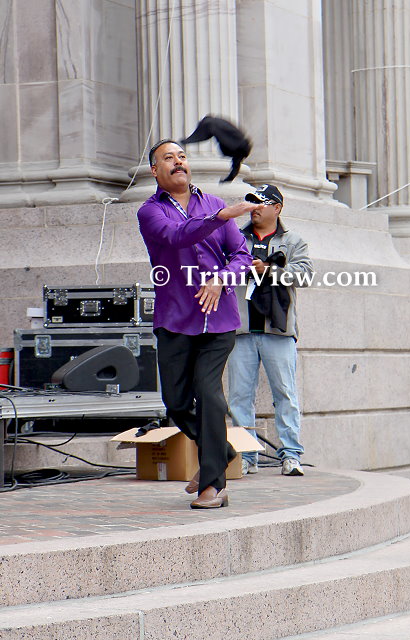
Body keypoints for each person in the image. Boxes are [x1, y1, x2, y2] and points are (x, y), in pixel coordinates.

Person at [137, 139, 257, 509]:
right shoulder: (150, 211)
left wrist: (221, 278)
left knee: (208, 392)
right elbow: (176, 236)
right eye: (168, 158)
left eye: (182, 156)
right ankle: (222, 452)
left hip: (218, 320)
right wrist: (219, 218)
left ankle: (213, 484)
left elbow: (242, 255)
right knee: (175, 402)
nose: (178, 162)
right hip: (175, 318)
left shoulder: (214, 203)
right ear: (155, 170)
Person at [227, 184, 314, 476]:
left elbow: (305, 275)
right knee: (239, 397)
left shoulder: (293, 240)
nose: (255, 208)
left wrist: (270, 270)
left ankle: (291, 455)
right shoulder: (235, 237)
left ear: (277, 208)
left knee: (285, 393)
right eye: (252, 202)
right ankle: (245, 456)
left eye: (262, 203)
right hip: (241, 329)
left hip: (278, 330)